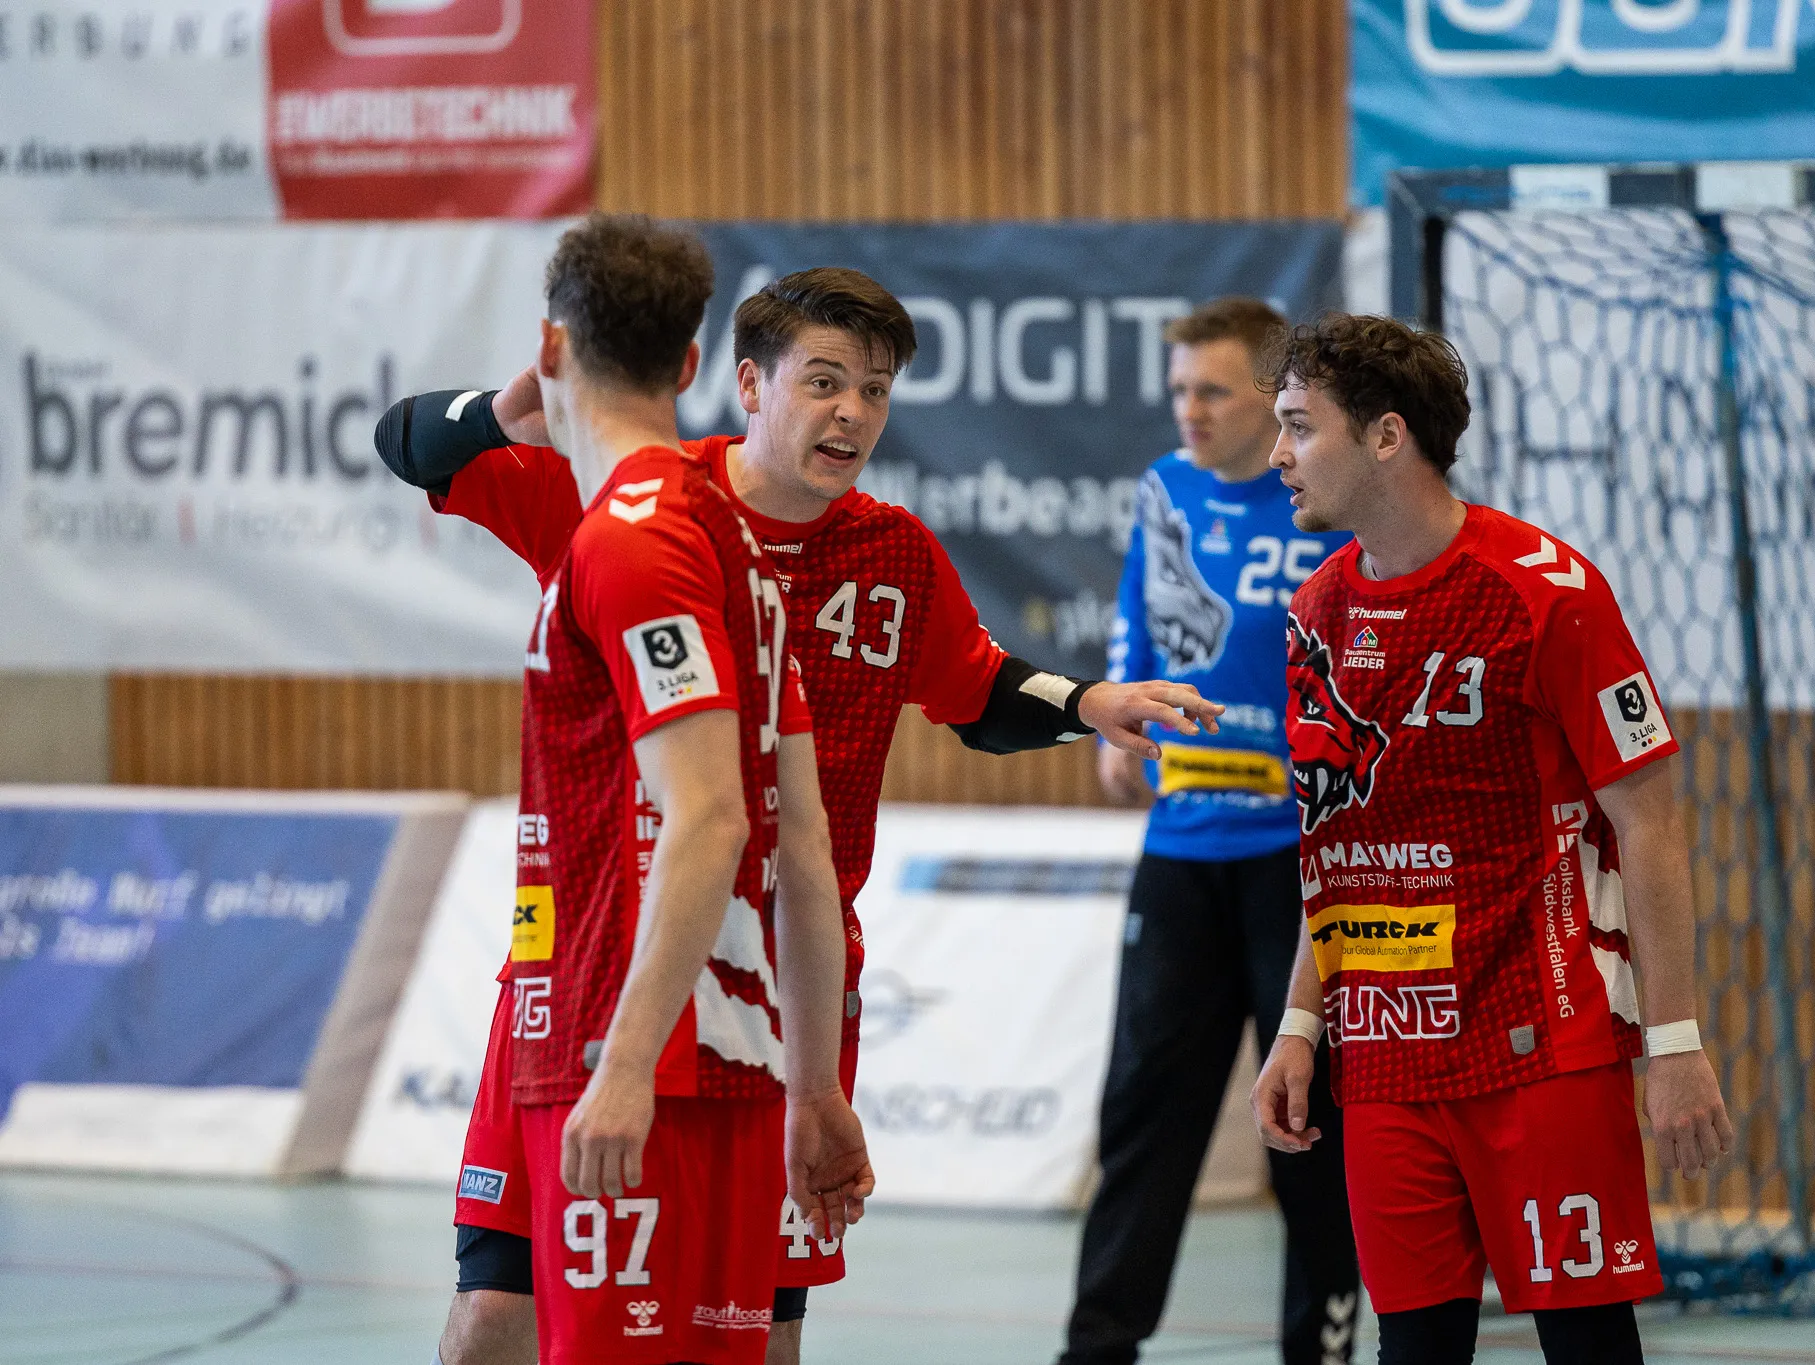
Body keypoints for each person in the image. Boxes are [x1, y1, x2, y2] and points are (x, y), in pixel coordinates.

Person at [378, 266, 1224, 1365]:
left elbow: (973, 693)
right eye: (824, 382)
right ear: (746, 384)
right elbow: (411, 446)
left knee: (756, 1332)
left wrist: (1086, 704)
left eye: (874, 390)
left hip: (777, 994)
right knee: (499, 1310)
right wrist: (514, 405)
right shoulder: (631, 503)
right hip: (592, 974)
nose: (851, 413)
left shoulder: (892, 554)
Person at [396, 213, 872, 1365]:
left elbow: (711, 818)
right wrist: (813, 1087)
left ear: (551, 349)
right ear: (695, 364)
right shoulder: (737, 545)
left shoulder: (628, 541)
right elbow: (799, 847)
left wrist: (620, 1067)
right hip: (718, 1048)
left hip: (636, 1040)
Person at [1249, 314, 1735, 1365]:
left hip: (1543, 1042)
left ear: (1386, 435)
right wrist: (1299, 1022)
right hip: (1386, 1052)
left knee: (1586, 1343)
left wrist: (1674, 1042)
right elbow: (1337, 846)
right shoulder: (1316, 611)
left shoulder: (1545, 592)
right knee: (1415, 1349)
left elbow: (1649, 821)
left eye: (1298, 425)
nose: (1276, 454)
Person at [1060, 298, 1360, 1365]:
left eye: (1213, 391)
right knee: (1143, 1109)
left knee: (1309, 1123)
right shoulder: (1165, 486)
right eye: (1179, 389)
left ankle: (1321, 1346)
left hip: (1297, 865)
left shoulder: (1326, 501)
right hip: (1183, 852)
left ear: (1272, 401)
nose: (1189, 410)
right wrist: (1121, 713)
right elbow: (1138, 610)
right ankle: (1096, 1348)